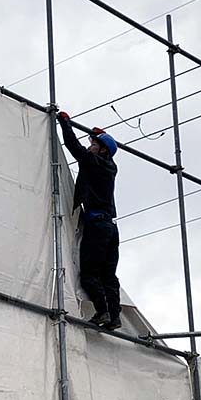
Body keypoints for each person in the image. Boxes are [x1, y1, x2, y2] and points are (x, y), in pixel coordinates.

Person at [56, 110, 121, 331]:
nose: (90, 146)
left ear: (102, 150)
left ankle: (101, 310)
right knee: (108, 276)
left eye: (94, 144)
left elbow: (72, 144)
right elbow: (99, 148)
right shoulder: (111, 166)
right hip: (111, 228)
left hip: (97, 227)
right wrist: (99, 135)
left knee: (90, 275)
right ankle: (114, 316)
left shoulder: (92, 161)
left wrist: (64, 122)